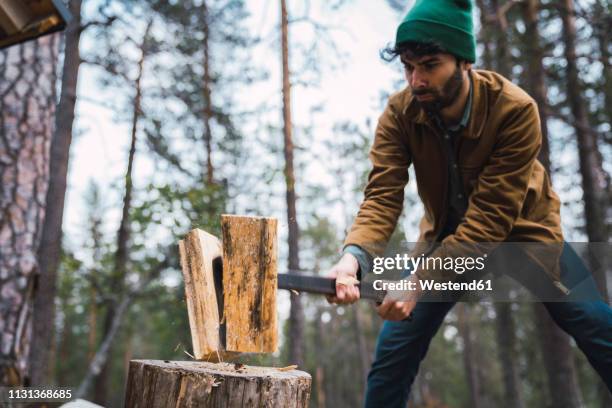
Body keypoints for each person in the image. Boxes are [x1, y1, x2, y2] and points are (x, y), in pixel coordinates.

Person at [325, 0, 612, 406]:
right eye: (408, 67)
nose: (417, 80)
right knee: (395, 348)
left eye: (429, 65)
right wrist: (353, 257)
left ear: (464, 62)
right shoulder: (399, 114)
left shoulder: (515, 110)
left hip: (525, 237)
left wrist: (419, 282)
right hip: (443, 243)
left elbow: (489, 222)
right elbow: (382, 197)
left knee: (591, 321)